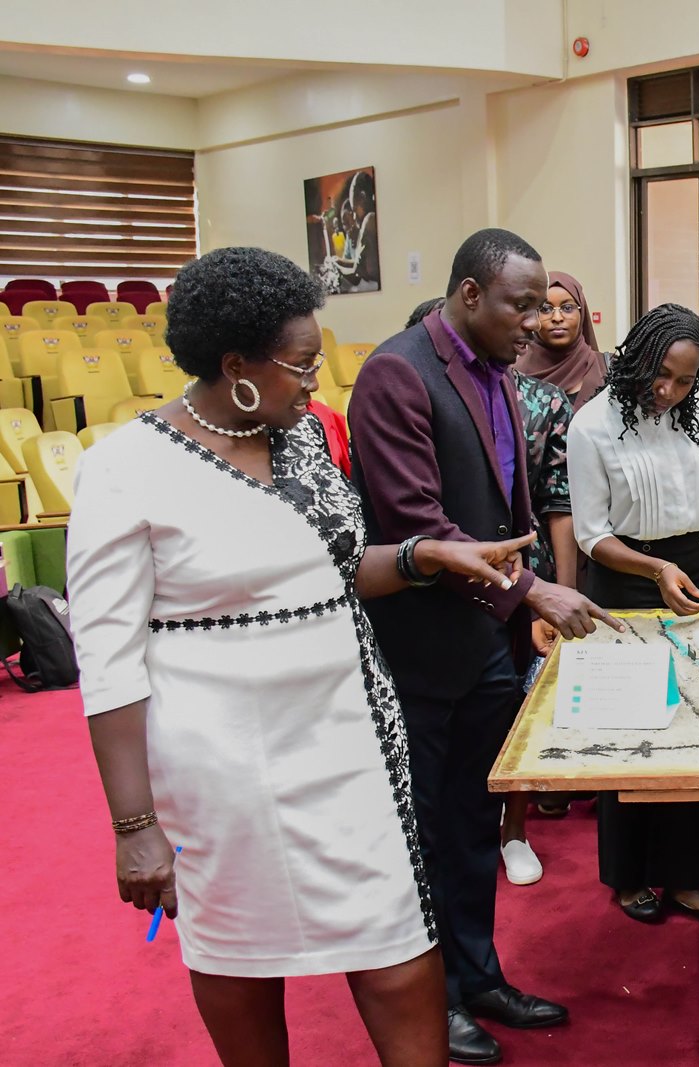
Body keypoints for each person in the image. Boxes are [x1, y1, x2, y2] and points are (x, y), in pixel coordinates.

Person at [68, 246, 541, 1067]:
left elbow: (338, 568)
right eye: (299, 365)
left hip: (348, 739)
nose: (315, 381)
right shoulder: (125, 468)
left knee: (399, 946)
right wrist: (134, 826)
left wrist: (430, 555)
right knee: (240, 956)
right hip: (226, 763)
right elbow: (107, 659)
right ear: (235, 366)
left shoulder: (300, 443)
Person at [349, 228, 619, 1066]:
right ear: (469, 294)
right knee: (425, 835)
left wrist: (523, 594)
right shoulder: (397, 372)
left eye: (543, 305)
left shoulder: (499, 372)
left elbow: (511, 510)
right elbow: (415, 526)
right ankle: (433, 1002)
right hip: (423, 652)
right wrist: (531, 589)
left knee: (472, 826)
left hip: (488, 645)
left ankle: (479, 974)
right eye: (521, 304)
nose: (537, 321)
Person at [567, 302, 699, 929]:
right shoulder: (592, 426)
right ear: (637, 358)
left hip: (691, 570)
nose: (668, 392)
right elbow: (591, 535)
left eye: (684, 380)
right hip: (625, 580)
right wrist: (655, 570)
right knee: (634, 730)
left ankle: (688, 879)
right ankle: (630, 874)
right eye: (660, 375)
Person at [496, 310, 583, 885]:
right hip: (440, 579)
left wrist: (556, 593)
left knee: (519, 705)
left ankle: (513, 831)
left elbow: (558, 502)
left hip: (528, 578)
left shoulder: (542, 402)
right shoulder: (411, 393)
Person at [514, 270, 608, 409]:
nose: (557, 318)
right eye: (546, 309)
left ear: (581, 313)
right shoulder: (513, 376)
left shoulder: (609, 369)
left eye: (567, 308)